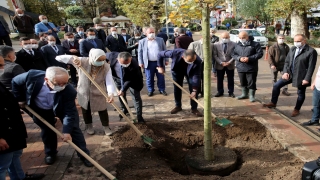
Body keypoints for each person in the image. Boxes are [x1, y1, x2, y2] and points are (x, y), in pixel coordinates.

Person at [12, 67, 93, 167]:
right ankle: (50, 153)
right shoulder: (32, 76)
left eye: (65, 82)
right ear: (46, 80)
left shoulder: (69, 91)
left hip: (61, 107)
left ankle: (84, 155)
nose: (62, 86)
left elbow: (69, 113)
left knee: (73, 129)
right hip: (40, 109)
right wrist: (20, 99)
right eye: (58, 84)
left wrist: (66, 131)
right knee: (47, 130)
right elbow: (15, 82)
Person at [0, 56, 45, 180]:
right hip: (4, 133)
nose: (3, 69)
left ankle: (19, 177)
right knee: (2, 166)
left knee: (14, 156)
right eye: (0, 66)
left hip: (12, 131)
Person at [263, 34, 317, 117]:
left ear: (304, 41)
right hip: (290, 74)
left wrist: (306, 78)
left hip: (301, 76)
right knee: (276, 85)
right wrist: (285, 72)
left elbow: (311, 67)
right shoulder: (293, 49)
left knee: (300, 93)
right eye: (295, 41)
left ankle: (297, 109)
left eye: (298, 41)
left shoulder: (311, 51)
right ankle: (273, 102)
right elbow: (287, 62)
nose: (296, 43)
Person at [69, 49, 116, 135]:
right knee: (86, 109)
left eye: (103, 60)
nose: (102, 62)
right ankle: (89, 126)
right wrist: (74, 57)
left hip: (99, 91)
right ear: (92, 58)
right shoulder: (82, 61)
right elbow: (59, 58)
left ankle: (106, 126)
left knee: (102, 109)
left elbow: (109, 81)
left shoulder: (106, 66)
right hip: (84, 90)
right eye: (99, 60)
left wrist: (111, 94)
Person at [157, 49, 203, 117]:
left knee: (193, 89)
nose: (192, 62)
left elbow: (196, 76)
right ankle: (178, 106)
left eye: (193, 60)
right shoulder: (174, 53)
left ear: (195, 55)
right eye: (190, 61)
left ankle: (194, 108)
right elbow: (160, 54)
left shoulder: (198, 60)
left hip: (190, 73)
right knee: (177, 88)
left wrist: (194, 90)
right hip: (177, 71)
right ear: (183, 57)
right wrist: (160, 66)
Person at [108, 52, 145, 122]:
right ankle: (124, 109)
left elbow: (129, 80)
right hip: (117, 79)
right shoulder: (111, 56)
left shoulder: (134, 64)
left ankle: (139, 116)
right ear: (117, 59)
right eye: (123, 64)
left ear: (130, 58)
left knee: (136, 98)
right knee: (121, 96)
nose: (125, 65)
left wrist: (123, 89)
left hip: (133, 81)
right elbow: (104, 57)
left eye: (127, 63)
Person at [231, 31, 263, 102]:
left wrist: (249, 58)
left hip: (251, 67)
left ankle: (251, 95)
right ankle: (244, 94)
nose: (242, 39)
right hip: (240, 66)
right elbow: (233, 54)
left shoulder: (255, 44)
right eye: (240, 38)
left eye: (243, 37)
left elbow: (260, 53)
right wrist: (239, 58)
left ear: (247, 37)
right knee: (242, 81)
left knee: (251, 82)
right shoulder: (237, 45)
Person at [138, 27, 167, 96]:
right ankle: (150, 90)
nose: (152, 34)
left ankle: (162, 89)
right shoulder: (142, 41)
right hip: (149, 63)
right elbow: (140, 52)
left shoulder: (160, 40)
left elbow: (164, 50)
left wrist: (166, 59)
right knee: (149, 78)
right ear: (146, 34)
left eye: (153, 32)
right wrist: (140, 62)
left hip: (159, 62)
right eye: (150, 32)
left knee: (161, 77)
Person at [212, 32, 236, 98]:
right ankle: (220, 91)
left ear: (229, 37)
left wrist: (229, 62)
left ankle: (231, 92)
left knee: (230, 79)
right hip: (220, 65)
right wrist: (221, 62)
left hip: (230, 65)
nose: (225, 39)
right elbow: (215, 55)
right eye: (223, 37)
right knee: (219, 79)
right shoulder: (216, 44)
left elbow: (235, 55)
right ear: (220, 37)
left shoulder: (234, 44)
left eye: (226, 37)